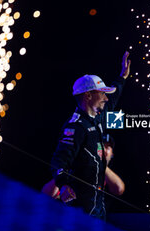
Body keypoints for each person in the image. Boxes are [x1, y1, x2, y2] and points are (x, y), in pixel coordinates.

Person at [46, 52, 131, 220]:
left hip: (97, 206)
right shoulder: (75, 127)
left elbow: (113, 99)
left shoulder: (97, 116)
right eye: (102, 93)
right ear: (88, 95)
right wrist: (63, 186)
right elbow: (58, 161)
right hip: (78, 209)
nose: (106, 98)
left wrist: (122, 76)